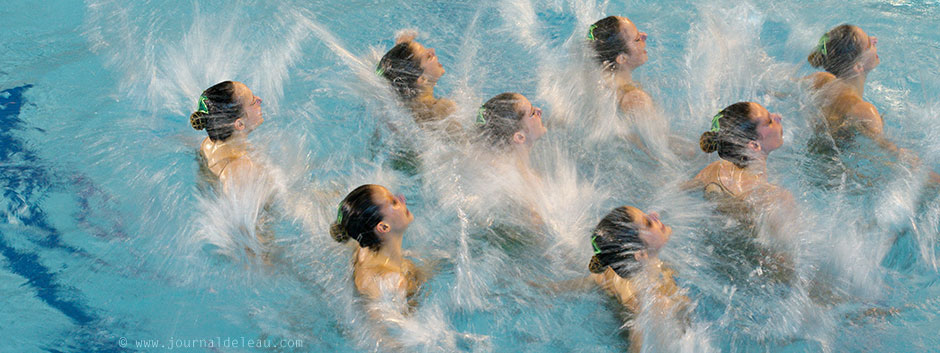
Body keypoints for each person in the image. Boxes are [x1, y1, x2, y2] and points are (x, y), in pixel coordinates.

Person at [588, 206, 689, 352]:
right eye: (648, 223)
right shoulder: (653, 308)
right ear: (640, 254)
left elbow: (594, 279)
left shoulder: (619, 274)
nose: (654, 214)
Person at [330, 184, 426, 302]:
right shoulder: (391, 282)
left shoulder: (363, 249)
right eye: (394, 202)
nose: (401, 198)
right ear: (384, 227)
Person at [377, 32, 463, 140]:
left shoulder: (400, 103)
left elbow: (393, 70)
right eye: (428, 56)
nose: (432, 50)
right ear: (422, 79)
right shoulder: (442, 108)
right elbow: (467, 147)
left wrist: (404, 46)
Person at [190, 80, 264, 192]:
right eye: (253, 101)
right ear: (240, 124)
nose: (259, 99)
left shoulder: (207, 145)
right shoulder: (241, 169)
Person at [587, 15, 652, 112]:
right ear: (622, 58)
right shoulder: (635, 100)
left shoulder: (591, 80)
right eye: (637, 39)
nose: (645, 36)